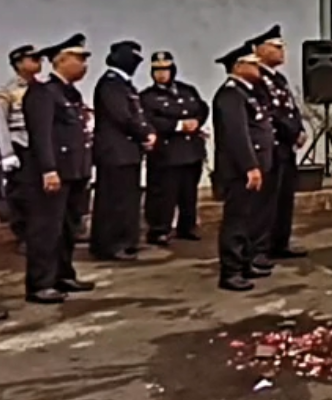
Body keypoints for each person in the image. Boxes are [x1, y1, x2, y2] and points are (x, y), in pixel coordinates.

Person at [23, 34, 96, 304]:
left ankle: (63, 274)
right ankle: (40, 283)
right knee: (46, 228)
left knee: (68, 228)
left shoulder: (69, 92)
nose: (84, 65)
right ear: (61, 60)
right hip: (54, 173)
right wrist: (48, 169)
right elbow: (41, 135)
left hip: (74, 171)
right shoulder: (43, 92)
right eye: (79, 59)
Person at [211, 41, 274, 292]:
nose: (258, 67)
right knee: (236, 220)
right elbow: (237, 135)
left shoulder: (247, 92)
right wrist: (250, 165)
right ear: (238, 67)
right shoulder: (230, 94)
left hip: (256, 165)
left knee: (250, 218)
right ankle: (231, 271)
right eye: (252, 63)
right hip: (240, 170)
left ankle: (246, 262)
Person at [89, 41, 156, 262]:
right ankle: (110, 244)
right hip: (114, 151)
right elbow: (122, 116)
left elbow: (136, 114)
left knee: (127, 200)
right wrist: (145, 134)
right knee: (113, 200)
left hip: (127, 151)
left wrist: (146, 131)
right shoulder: (111, 84)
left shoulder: (124, 84)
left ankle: (126, 240)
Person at [251, 25, 307, 263]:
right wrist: (291, 132)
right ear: (259, 50)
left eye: (282, 46)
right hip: (271, 145)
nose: (282, 50)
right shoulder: (256, 78)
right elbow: (270, 112)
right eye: (276, 46)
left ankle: (279, 242)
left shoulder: (279, 78)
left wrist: (300, 129)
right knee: (266, 201)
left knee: (284, 198)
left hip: (286, 147)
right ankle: (259, 249)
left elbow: (290, 109)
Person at [141, 51, 209, 246]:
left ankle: (187, 226)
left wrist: (197, 121)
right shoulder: (147, 97)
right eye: (157, 70)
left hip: (191, 150)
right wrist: (177, 125)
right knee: (164, 194)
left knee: (189, 192)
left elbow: (202, 108)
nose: (161, 74)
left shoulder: (187, 91)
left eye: (165, 70)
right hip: (166, 152)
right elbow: (150, 120)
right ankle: (159, 229)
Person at [2, 44, 42, 254]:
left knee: (40, 195)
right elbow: (1, 124)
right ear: (18, 63)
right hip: (20, 147)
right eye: (32, 59)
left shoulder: (43, 88)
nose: (38, 62)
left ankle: (38, 234)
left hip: (40, 147)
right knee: (22, 194)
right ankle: (24, 235)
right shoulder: (9, 91)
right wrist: (6, 153)